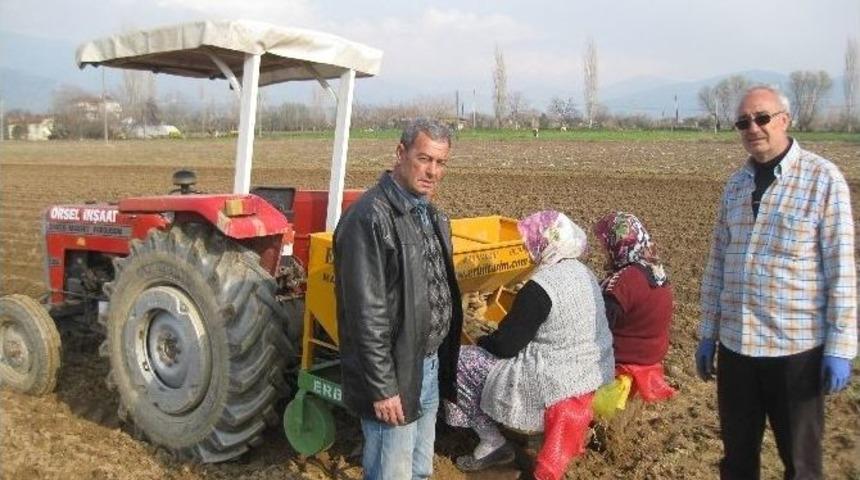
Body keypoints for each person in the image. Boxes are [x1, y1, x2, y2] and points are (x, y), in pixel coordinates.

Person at [696, 86, 856, 480]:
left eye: (762, 118)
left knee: (801, 465)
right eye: (743, 122)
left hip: (795, 351)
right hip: (737, 349)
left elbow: (842, 268)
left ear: (785, 119)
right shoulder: (736, 185)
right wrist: (707, 332)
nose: (753, 128)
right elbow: (717, 262)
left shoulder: (822, 179)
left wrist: (841, 346)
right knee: (737, 462)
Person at [333, 118, 464, 479]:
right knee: (392, 472)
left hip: (428, 364)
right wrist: (383, 388)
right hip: (395, 374)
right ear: (400, 153)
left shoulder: (432, 215)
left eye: (440, 163)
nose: (432, 171)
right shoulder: (369, 218)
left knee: (420, 469)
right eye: (424, 159)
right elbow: (365, 315)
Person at [444, 210, 615, 478]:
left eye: (532, 241)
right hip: (588, 374)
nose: (528, 246)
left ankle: (492, 442)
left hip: (552, 383)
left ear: (543, 243)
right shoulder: (584, 273)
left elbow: (506, 346)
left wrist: (480, 339)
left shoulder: (540, 287)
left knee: (459, 362)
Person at [593, 212, 676, 402]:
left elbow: (599, 326)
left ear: (618, 244)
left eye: (606, 245)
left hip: (627, 353)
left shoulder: (625, 281)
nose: (604, 250)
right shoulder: (654, 267)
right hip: (652, 350)